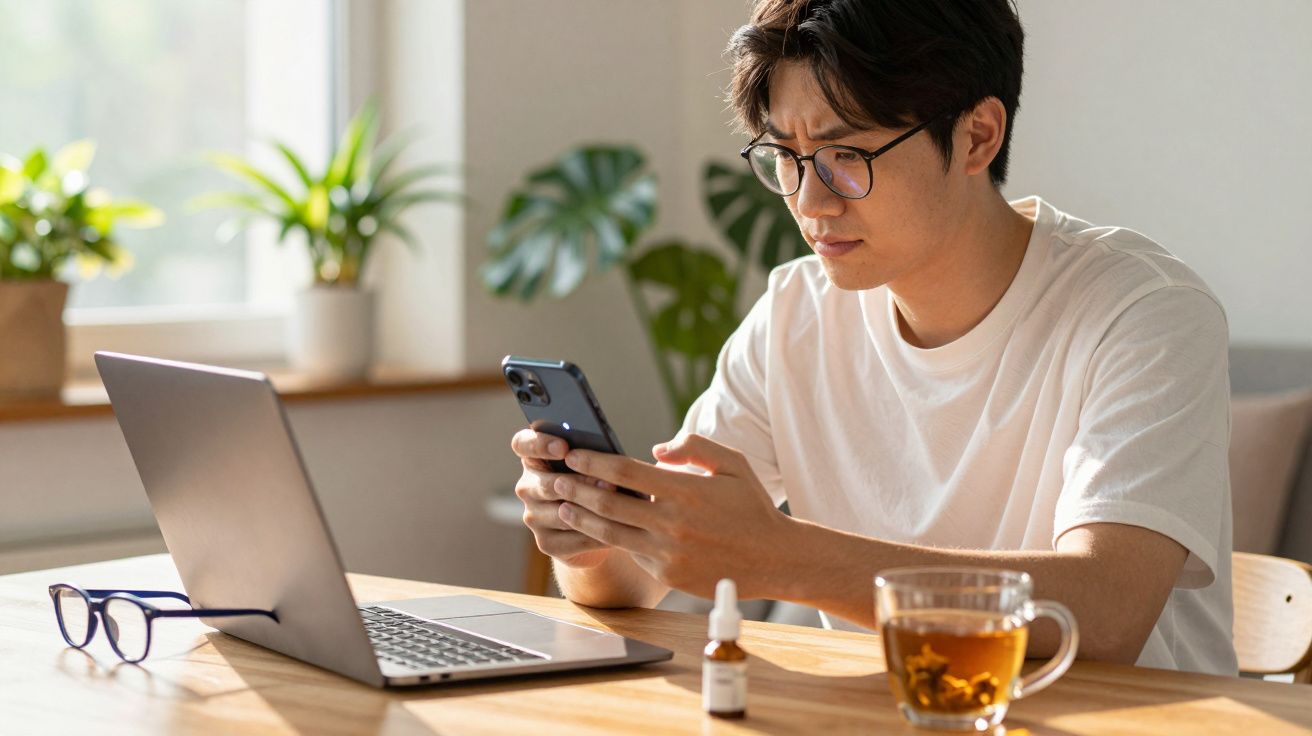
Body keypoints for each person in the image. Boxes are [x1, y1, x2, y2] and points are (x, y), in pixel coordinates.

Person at [510, 0, 1236, 675]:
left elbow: (1107, 613)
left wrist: (782, 556)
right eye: (785, 157)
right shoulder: (795, 313)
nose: (809, 201)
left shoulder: (1143, 312)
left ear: (978, 134)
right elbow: (639, 581)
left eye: (845, 155)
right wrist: (593, 533)